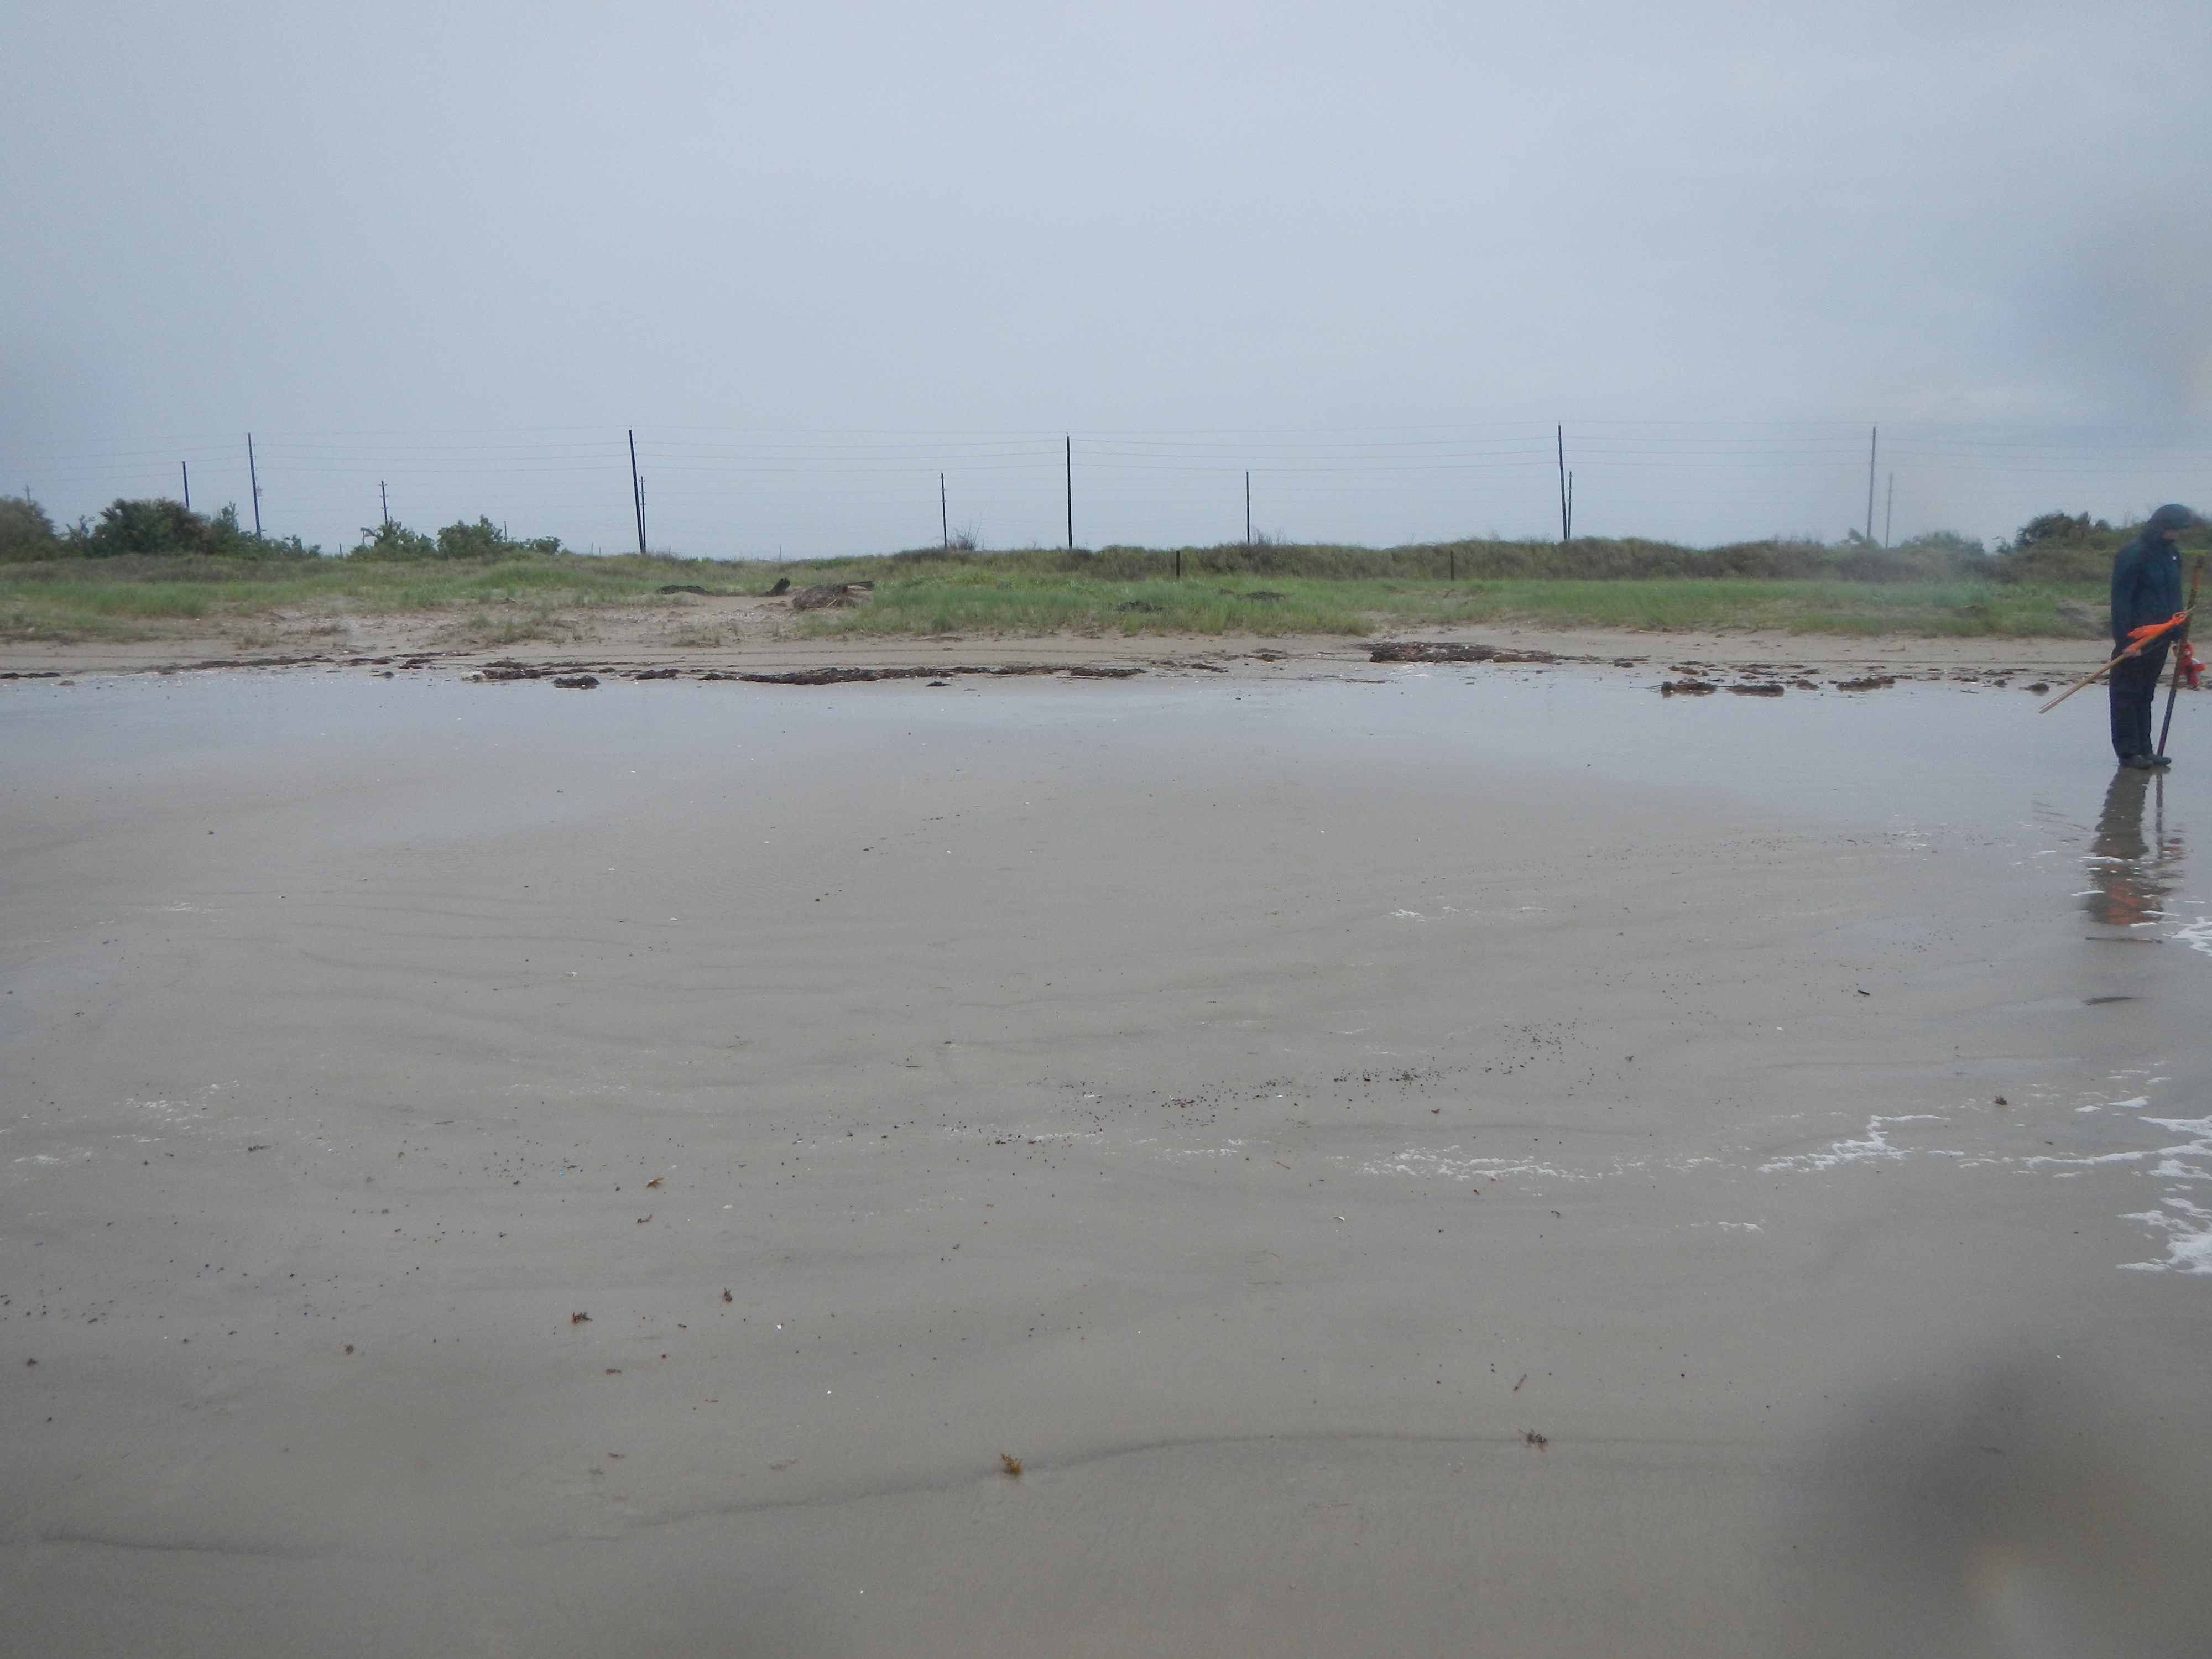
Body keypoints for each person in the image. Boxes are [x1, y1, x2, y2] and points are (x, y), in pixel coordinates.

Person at [2109, 504, 2197, 768]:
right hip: (2137, 637)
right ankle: (2128, 753)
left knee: (2146, 694)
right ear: (2162, 526)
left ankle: (2146, 751)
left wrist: (2179, 630)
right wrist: (2125, 642)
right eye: (2176, 529)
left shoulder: (2171, 554)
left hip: (2162, 635)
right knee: (2127, 694)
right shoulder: (2133, 553)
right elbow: (2121, 599)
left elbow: (2174, 595)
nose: (2178, 534)